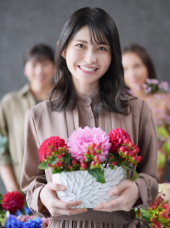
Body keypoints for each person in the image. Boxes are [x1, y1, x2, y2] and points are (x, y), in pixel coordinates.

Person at [21, 8, 158, 228]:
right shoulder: (37, 116)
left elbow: (151, 178)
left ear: (113, 55)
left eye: (102, 47)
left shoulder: (138, 110)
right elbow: (31, 183)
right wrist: (42, 196)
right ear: (63, 49)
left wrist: (138, 189)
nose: (90, 57)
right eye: (80, 45)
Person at [122, 44, 170, 183]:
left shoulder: (166, 102)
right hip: (124, 183)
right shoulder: (118, 105)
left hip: (156, 182)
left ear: (147, 66)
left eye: (137, 66)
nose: (132, 73)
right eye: (125, 69)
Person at [0, 44, 55, 192]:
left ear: (54, 68)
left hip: (60, 189)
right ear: (25, 70)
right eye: (33, 65)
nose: (39, 70)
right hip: (22, 191)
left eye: (44, 64)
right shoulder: (9, 103)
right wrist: (13, 191)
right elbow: (1, 151)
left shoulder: (66, 101)